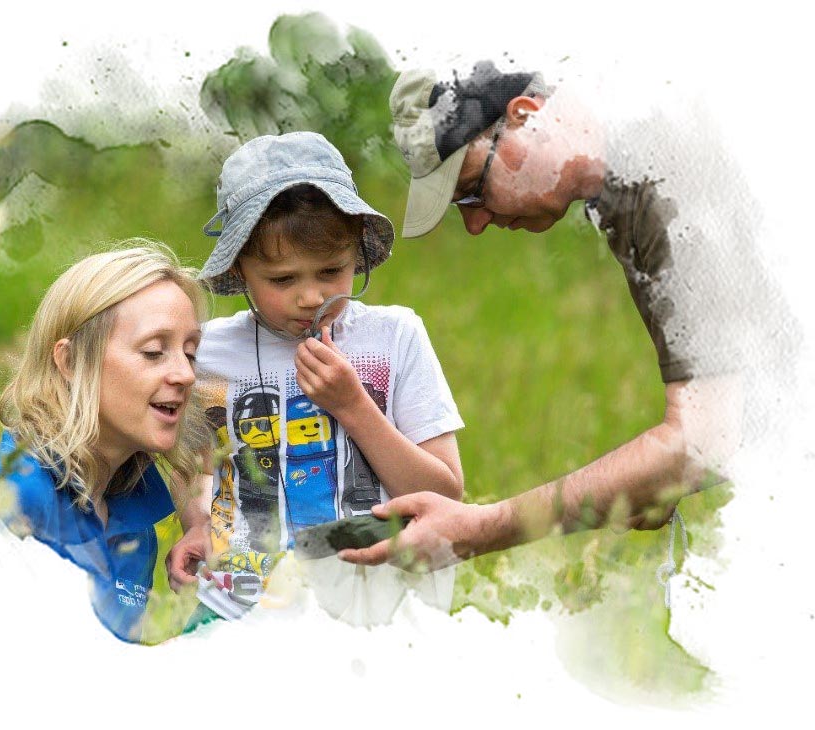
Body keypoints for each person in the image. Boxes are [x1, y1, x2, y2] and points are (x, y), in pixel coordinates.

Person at [340, 61, 793, 572]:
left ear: (527, 116)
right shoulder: (618, 189)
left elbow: (708, 437)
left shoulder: (675, 178)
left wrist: (481, 527)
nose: (474, 223)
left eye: (472, 189)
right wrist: (643, 481)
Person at [167, 131, 465, 622]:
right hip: (236, 605)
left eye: (331, 271)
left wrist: (352, 405)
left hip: (372, 603)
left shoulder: (394, 337)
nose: (310, 297)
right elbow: (194, 464)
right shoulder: (207, 351)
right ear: (241, 269)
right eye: (283, 280)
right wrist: (196, 524)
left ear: (357, 254)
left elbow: (445, 492)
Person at [0, 241, 211, 643]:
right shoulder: (4, 495)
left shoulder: (137, 525)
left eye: (190, 353)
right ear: (70, 362)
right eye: (153, 351)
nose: (185, 374)